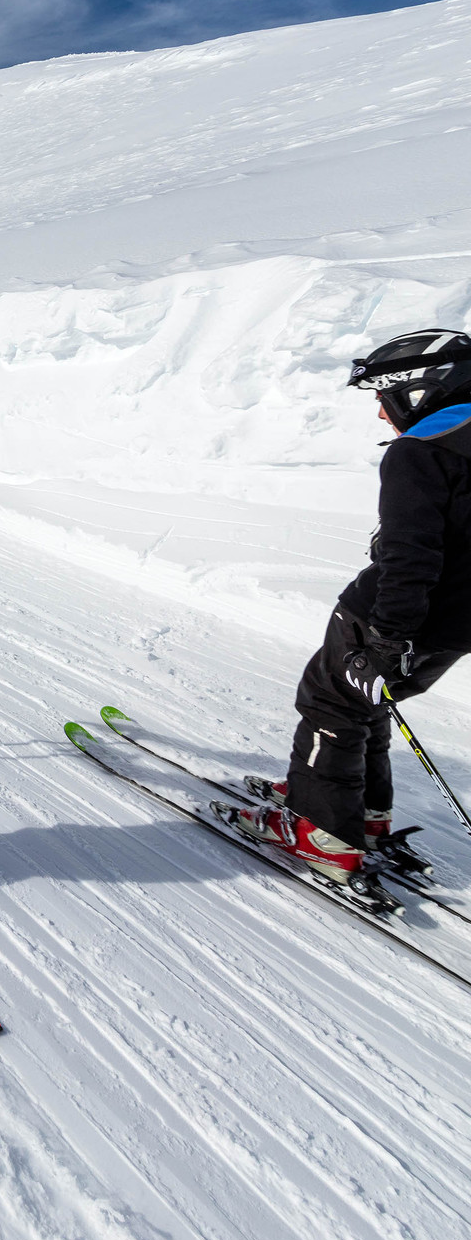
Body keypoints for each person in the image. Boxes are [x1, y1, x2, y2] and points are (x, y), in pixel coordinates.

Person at [234, 329, 471, 898]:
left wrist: (389, 638)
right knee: (370, 707)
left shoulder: (423, 451)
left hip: (392, 616)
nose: (384, 414)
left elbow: (409, 555)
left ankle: (322, 832)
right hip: (456, 628)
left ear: (419, 390)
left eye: (386, 400)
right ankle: (364, 813)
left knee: (330, 704)